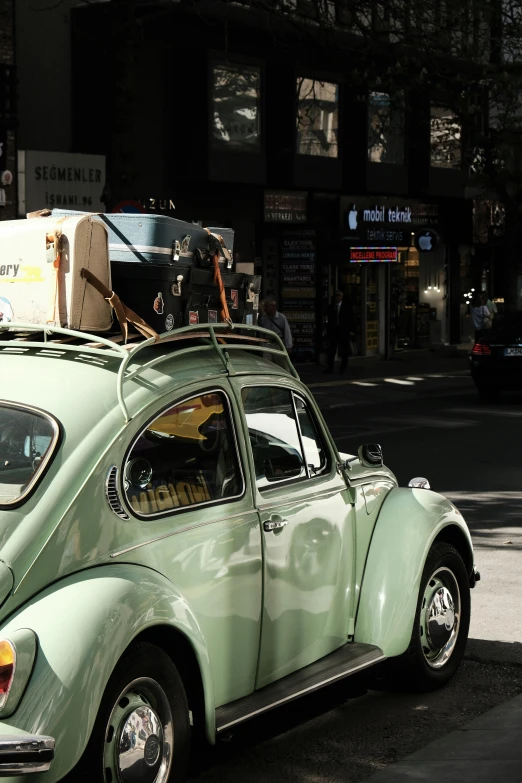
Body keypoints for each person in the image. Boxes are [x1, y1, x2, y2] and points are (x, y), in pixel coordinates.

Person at [325, 290, 356, 374]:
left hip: (343, 331)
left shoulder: (346, 307)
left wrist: (351, 330)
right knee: (331, 350)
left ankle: (343, 367)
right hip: (333, 331)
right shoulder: (331, 307)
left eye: (339, 296)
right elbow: (327, 319)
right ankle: (330, 368)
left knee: (344, 351)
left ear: (342, 297)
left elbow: (351, 319)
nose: (337, 297)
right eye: (336, 296)